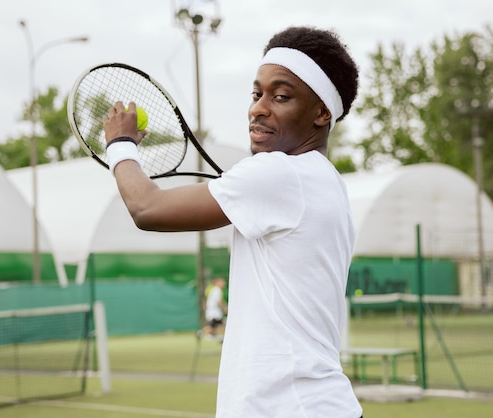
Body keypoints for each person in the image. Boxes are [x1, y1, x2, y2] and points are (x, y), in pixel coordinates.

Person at [102, 25, 362, 418]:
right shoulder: (324, 181)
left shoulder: (279, 174)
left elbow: (147, 209)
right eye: (257, 94)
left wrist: (120, 144)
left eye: (281, 96)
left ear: (322, 113)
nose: (258, 107)